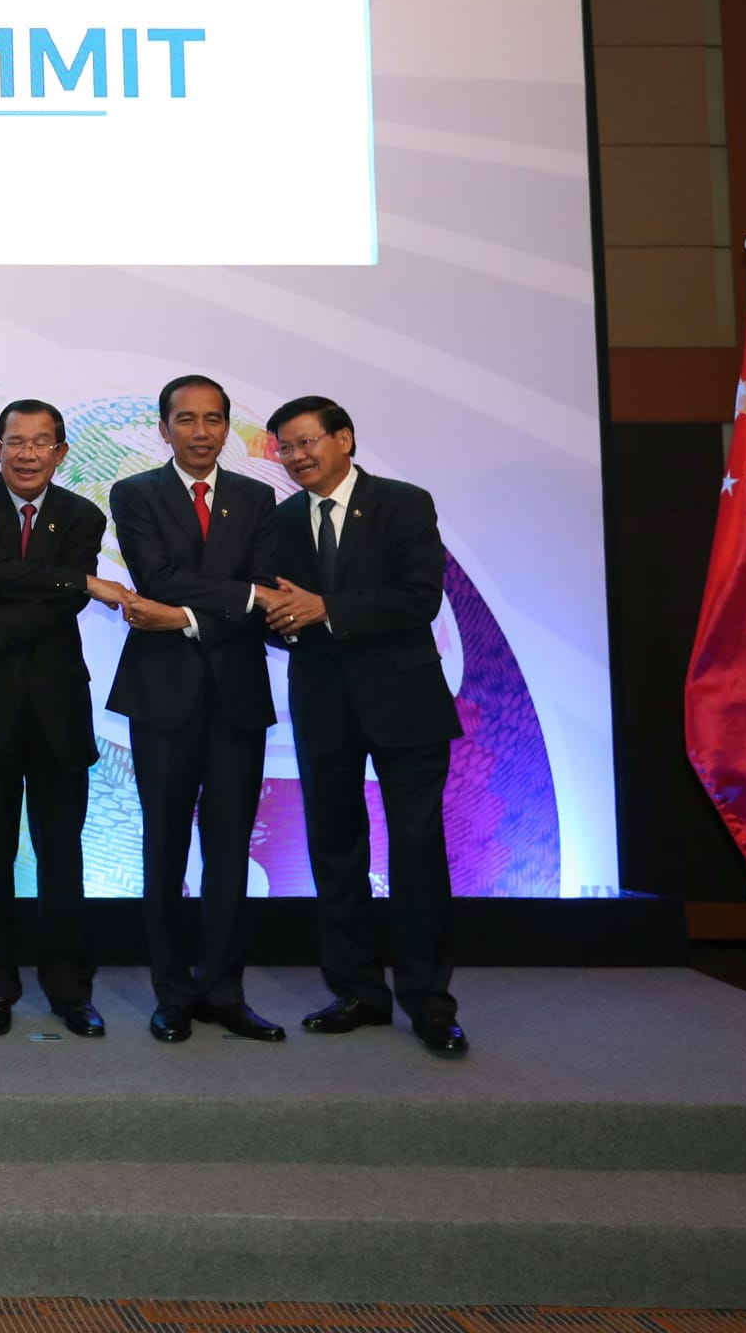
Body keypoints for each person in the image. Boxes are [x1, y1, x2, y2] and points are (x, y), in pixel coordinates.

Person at [259, 396, 468, 1057]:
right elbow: (278, 607)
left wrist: (325, 608)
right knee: (335, 850)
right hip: (322, 702)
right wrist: (281, 618)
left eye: (304, 443)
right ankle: (357, 990)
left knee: (416, 851)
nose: (295, 458)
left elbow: (418, 598)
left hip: (405, 702)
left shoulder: (404, 503)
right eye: (284, 449)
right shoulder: (284, 517)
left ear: (343, 438)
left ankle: (430, 1002)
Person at [101, 375, 285, 1045]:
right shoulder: (135, 493)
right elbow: (158, 577)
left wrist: (189, 614)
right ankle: (172, 994)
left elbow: (261, 588)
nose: (201, 432)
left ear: (228, 427)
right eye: (187, 419)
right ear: (164, 427)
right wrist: (241, 600)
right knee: (165, 847)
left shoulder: (256, 497)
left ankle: (225, 991)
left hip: (236, 696)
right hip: (163, 697)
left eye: (213, 420)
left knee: (229, 849)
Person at [0, 398, 108, 1039]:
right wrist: (76, 584)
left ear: (61, 453)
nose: (27, 454)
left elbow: (58, 607)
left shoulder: (84, 515)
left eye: (41, 443)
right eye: (15, 441)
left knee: (62, 855)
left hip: (59, 709)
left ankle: (69, 989)